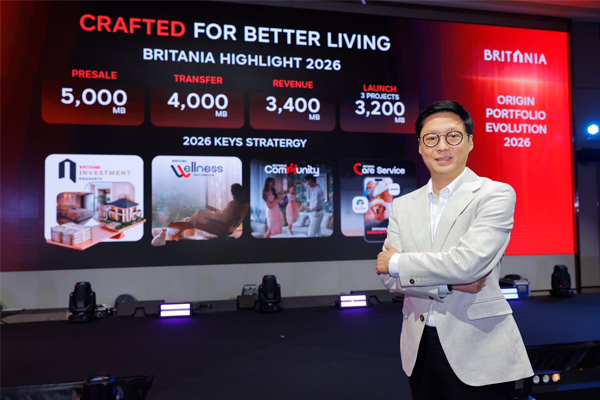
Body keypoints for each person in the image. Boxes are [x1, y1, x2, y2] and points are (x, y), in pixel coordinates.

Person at [375, 100, 533, 400]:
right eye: (431, 138)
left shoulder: (495, 194)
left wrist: (398, 263)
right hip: (419, 346)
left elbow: (467, 265)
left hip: (479, 345)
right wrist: (448, 284)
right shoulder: (403, 205)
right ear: (420, 146)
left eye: (453, 136)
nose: (442, 146)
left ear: (470, 142)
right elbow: (388, 279)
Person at [166, 183, 249, 239]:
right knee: (190, 219)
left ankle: (178, 227)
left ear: (235, 193)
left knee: (199, 213)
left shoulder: (234, 204)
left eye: (232, 192)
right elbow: (226, 215)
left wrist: (215, 212)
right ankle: (181, 229)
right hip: (221, 221)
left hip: (218, 222)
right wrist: (214, 210)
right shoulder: (239, 204)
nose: (232, 194)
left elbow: (224, 217)